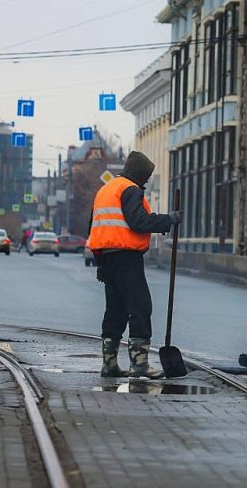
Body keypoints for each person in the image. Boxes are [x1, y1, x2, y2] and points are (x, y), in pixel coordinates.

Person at [87, 151, 181, 379]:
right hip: (126, 257)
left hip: (107, 257)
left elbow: (94, 227)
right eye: (146, 175)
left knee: (115, 310)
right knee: (140, 307)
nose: (147, 180)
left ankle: (109, 365)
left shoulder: (106, 190)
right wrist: (168, 220)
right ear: (138, 173)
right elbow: (138, 222)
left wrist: (101, 263)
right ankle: (139, 364)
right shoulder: (129, 190)